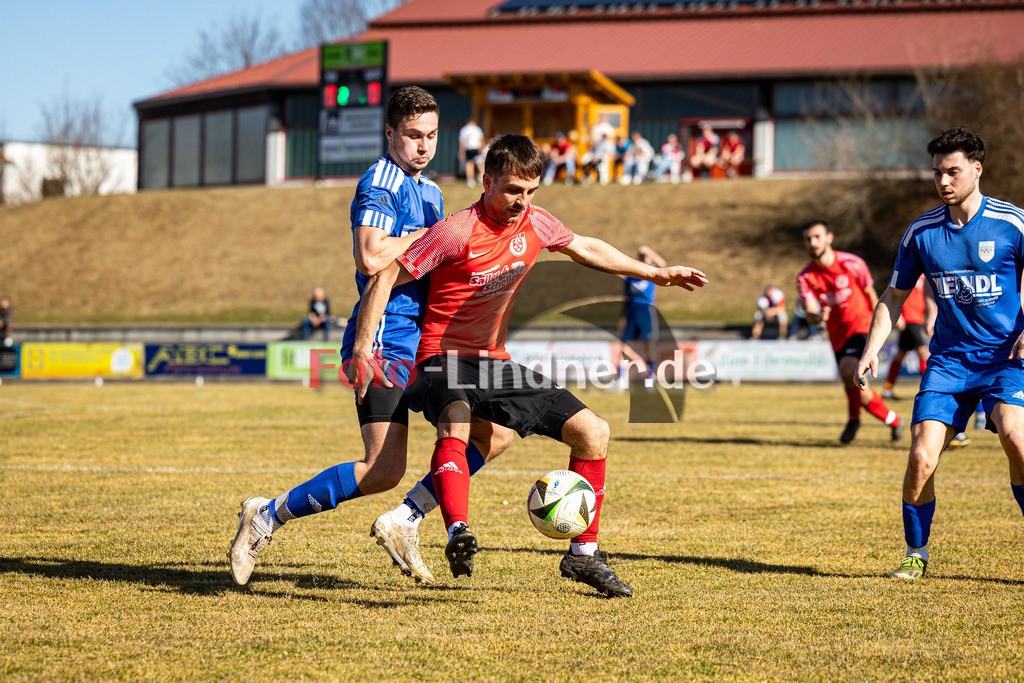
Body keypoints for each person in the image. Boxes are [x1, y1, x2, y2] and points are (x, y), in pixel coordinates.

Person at [352, 134, 708, 597]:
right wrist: (363, 347)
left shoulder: (536, 222)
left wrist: (655, 274)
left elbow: (585, 247)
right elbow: (387, 274)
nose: (523, 201)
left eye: (531, 191)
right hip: (440, 355)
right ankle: (458, 532)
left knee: (593, 431)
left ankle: (584, 556)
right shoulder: (456, 230)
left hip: (494, 360)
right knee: (456, 423)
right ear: (487, 182)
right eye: (513, 190)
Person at [229, 86, 513, 588]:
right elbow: (371, 256)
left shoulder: (431, 191)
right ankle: (267, 514)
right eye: (411, 136)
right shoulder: (380, 182)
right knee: (382, 469)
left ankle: (407, 519)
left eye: (431, 136)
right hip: (382, 338)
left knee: (496, 434)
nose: (423, 146)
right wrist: (443, 241)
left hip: (427, 341)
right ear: (390, 133)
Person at [855, 126, 1024, 580]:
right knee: (921, 458)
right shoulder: (922, 232)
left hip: (1006, 359)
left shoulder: (1012, 222)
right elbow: (893, 296)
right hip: (949, 363)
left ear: (976, 169)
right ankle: (916, 553)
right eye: (937, 174)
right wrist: (873, 347)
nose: (944, 182)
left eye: (953, 171)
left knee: (1017, 440)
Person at [797, 220, 904, 444]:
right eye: (808, 239)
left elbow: (872, 294)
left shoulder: (852, 263)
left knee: (849, 370)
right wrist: (816, 317)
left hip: (863, 326)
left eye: (817, 237)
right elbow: (809, 311)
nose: (813, 242)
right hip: (837, 336)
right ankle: (893, 420)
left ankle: (853, 420)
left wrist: (885, 321)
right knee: (855, 385)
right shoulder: (805, 277)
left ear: (829, 238)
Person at [615, 245, 667, 385]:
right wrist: (623, 316)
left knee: (649, 344)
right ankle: (621, 378)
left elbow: (663, 265)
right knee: (626, 345)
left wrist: (649, 251)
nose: (644, 257)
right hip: (632, 310)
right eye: (641, 255)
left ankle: (650, 377)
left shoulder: (653, 272)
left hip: (647, 310)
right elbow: (625, 297)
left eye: (646, 256)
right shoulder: (631, 276)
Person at [881, 274, 934, 400]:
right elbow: (895, 294)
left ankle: (887, 389)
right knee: (922, 352)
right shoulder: (909, 269)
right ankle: (927, 390)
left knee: (900, 355)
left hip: (917, 319)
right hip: (909, 319)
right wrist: (898, 316)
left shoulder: (926, 275)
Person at [458, 118, 485, 188]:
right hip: (476, 148)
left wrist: (461, 152)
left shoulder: (464, 129)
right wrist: (481, 149)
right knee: (480, 163)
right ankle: (483, 178)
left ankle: (470, 180)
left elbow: (462, 142)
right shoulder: (477, 129)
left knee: (469, 164)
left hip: (469, 148)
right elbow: (482, 140)